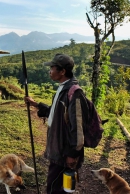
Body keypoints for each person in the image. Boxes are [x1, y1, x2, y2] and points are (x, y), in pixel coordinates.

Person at [25, 53, 87, 194]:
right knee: (61, 186)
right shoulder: (62, 89)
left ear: (63, 71)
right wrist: (35, 104)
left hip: (64, 152)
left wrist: (72, 153)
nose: (50, 71)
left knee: (56, 187)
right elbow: (56, 114)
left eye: (52, 68)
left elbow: (78, 127)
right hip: (58, 149)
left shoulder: (74, 93)